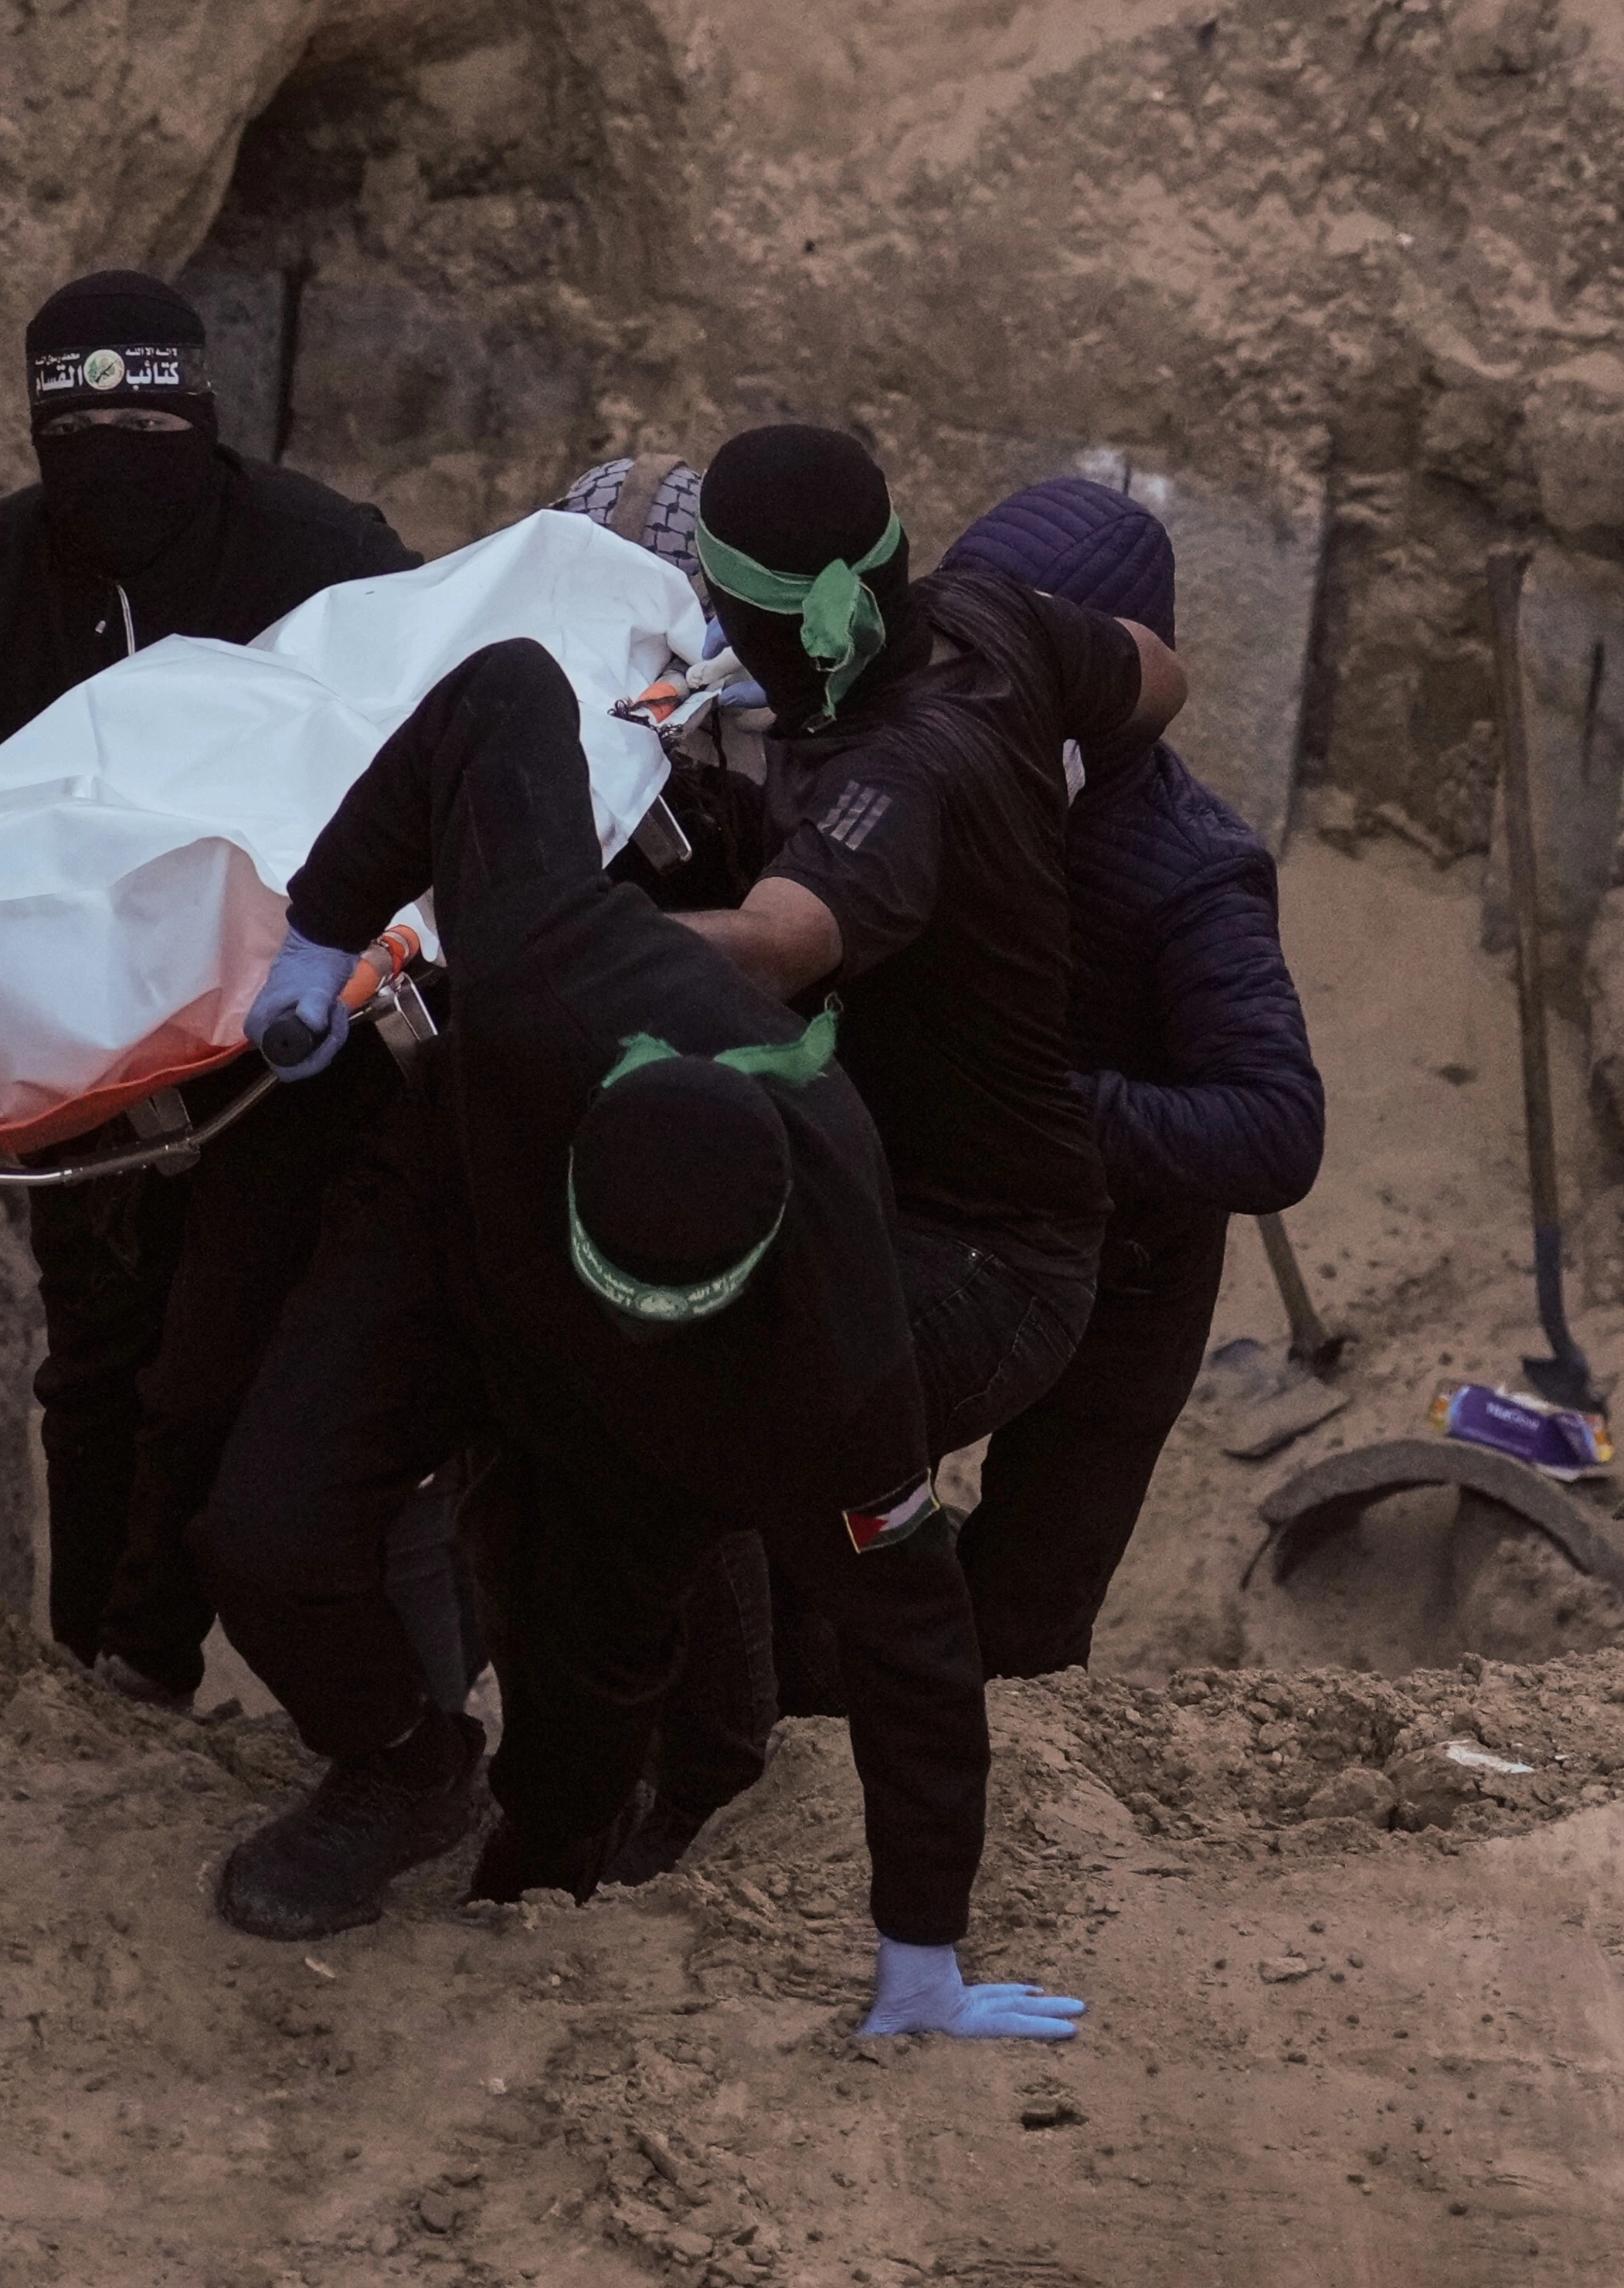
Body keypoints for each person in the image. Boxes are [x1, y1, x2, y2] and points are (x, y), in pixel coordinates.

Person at [189, 640, 1090, 2043]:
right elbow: (505, 689)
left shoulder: (838, 1359)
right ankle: (401, 1764)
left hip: (655, 1431)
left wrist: (920, 1947)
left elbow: (915, 1644)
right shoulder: (547, 964)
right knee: (264, 1533)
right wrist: (323, 929)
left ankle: (533, 1882)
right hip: (454, 1239)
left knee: (590, 1687)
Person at [566, 430, 1187, 1880]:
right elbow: (1158, 674)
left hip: (985, 1254)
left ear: (750, 617)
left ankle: (717, 1787)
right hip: (936, 1196)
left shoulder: (894, 775)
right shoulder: (992, 619)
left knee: (693, 1426)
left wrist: (549, 932)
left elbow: (780, 944)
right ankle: (756, 1739)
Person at [0, 271, 419, 1704]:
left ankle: (205, 1660)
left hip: (283, 1042)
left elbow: (423, 758)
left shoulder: (327, 554)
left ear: (203, 415)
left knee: (232, 1365)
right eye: (80, 432)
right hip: (73, 1042)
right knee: (93, 1365)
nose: (116, 460)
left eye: (147, 425)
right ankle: (93, 1677)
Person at [938, 478, 1323, 1674]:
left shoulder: (1189, 870)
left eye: (1000, 656)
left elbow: (1273, 1128)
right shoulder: (931, 775)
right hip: (933, 1232)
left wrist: (1040, 1104)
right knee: (823, 1556)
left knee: (1024, 1624)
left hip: (1125, 1280)